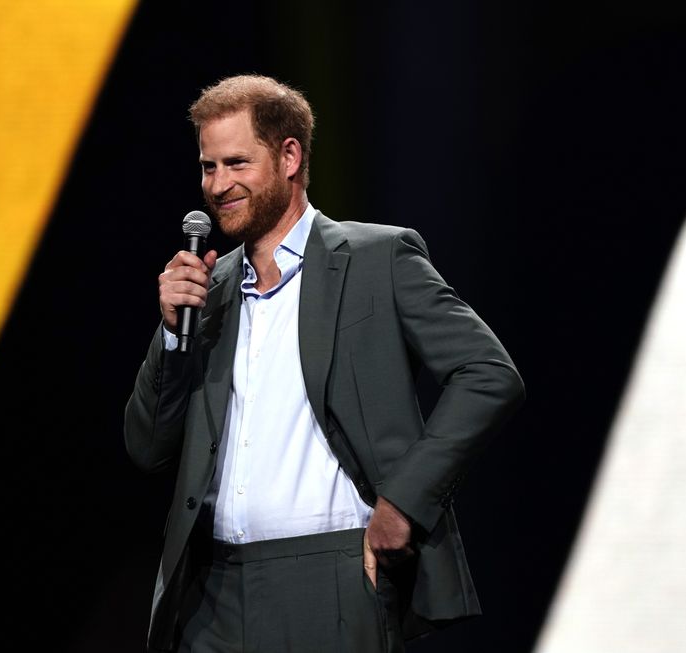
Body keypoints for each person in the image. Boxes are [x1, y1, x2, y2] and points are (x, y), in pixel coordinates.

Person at [124, 74, 524, 653]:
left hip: (328, 579)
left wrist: (406, 500)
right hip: (210, 594)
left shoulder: (377, 259)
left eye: (237, 163)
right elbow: (147, 445)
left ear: (290, 156)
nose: (218, 185)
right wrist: (170, 334)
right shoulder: (206, 291)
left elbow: (489, 376)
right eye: (209, 167)